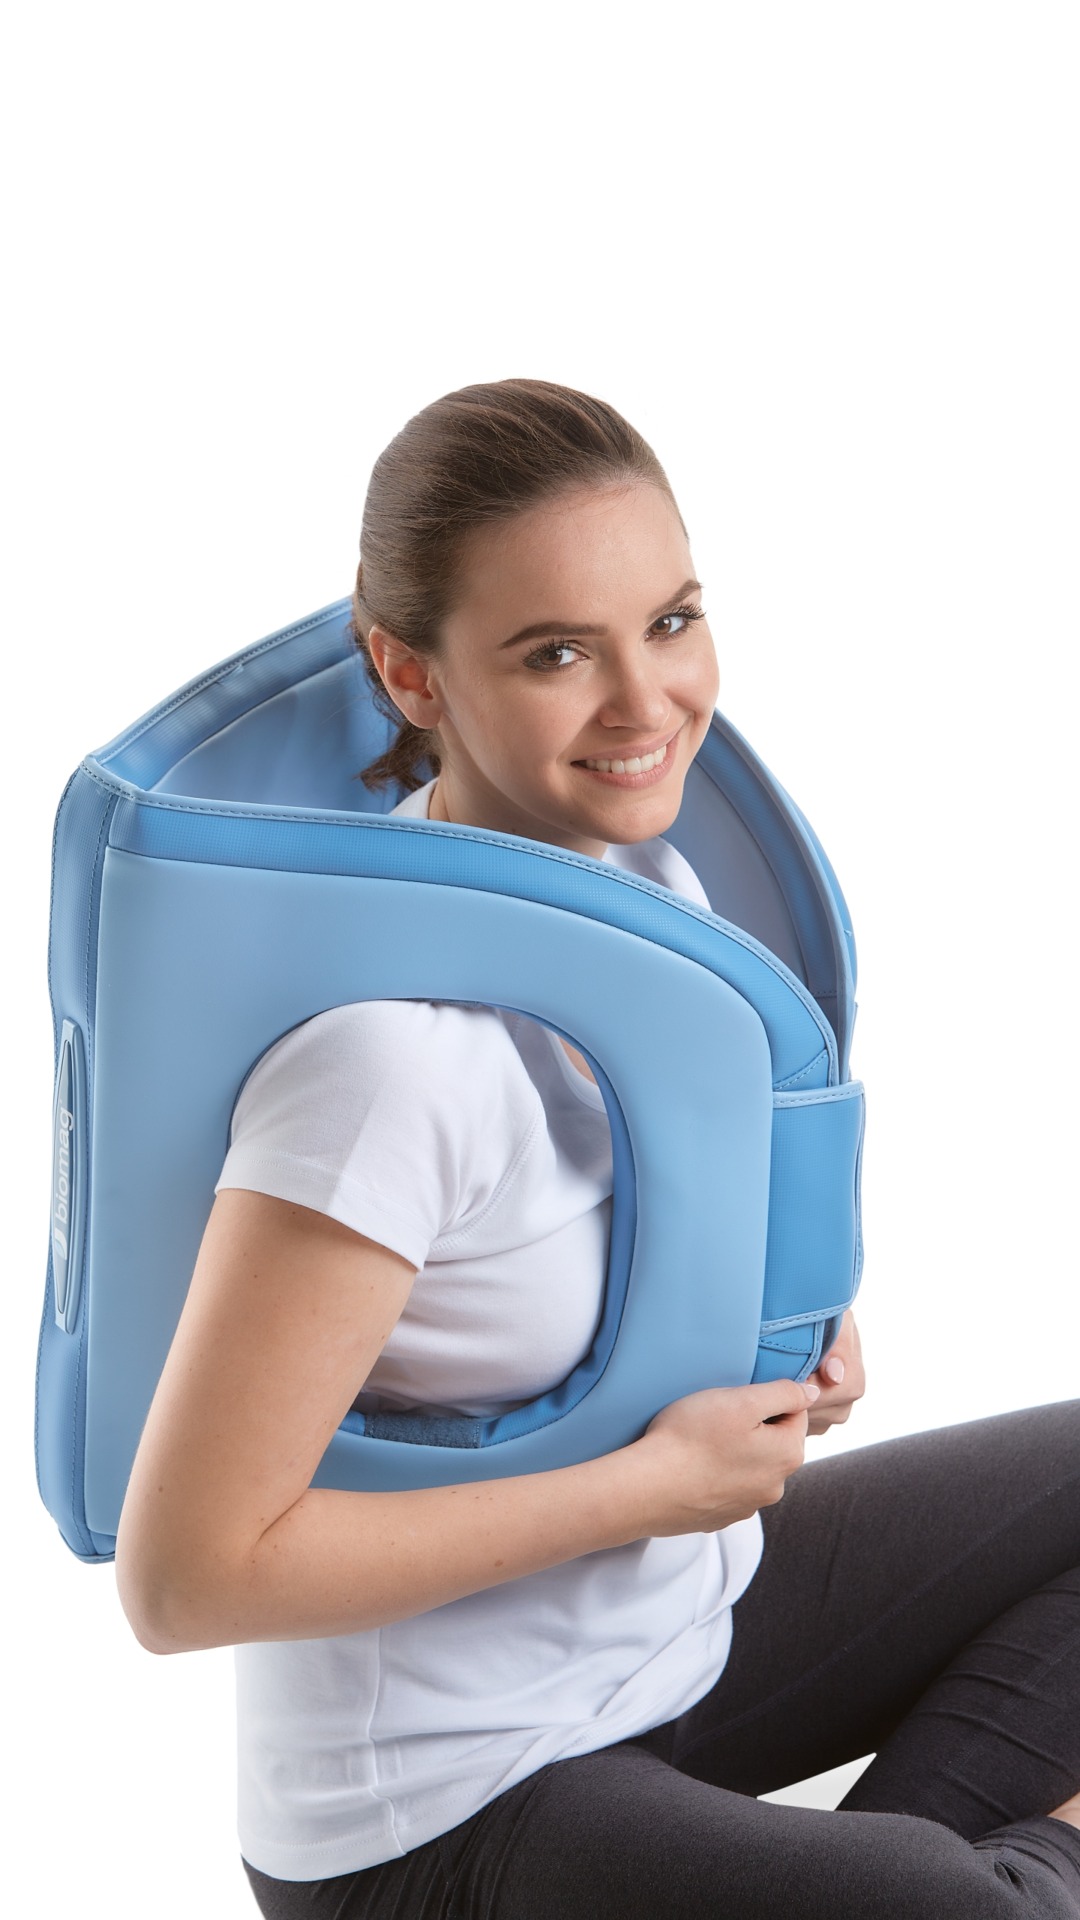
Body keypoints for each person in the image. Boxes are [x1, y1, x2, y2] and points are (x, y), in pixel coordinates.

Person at [114, 379, 1080, 1918]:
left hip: (678, 1651)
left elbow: (624, 1267)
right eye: (556, 653)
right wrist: (652, 1487)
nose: (648, 702)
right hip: (438, 1814)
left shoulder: (651, 899)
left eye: (672, 622)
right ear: (407, 672)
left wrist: (783, 1348)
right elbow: (187, 1579)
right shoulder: (382, 1062)